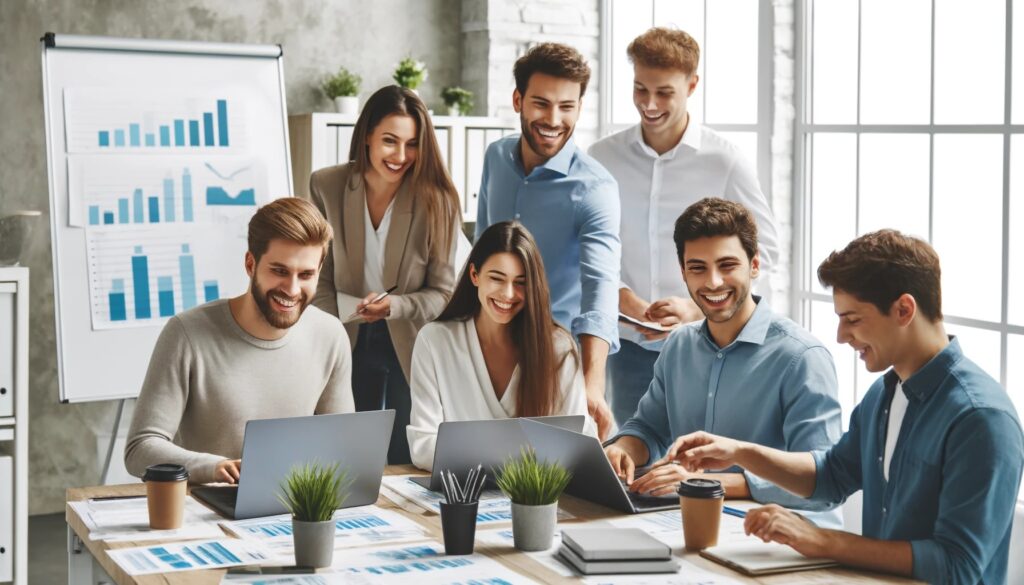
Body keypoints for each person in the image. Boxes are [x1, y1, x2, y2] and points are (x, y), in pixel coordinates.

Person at [663, 229, 1024, 584]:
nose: (841, 336)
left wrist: (822, 541)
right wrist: (739, 452)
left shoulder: (981, 418)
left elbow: (956, 565)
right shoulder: (884, 394)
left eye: (852, 319)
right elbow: (832, 476)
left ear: (903, 310)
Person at [602, 198, 842, 526]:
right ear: (683, 270)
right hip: (682, 524)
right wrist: (623, 450)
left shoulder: (802, 358)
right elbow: (649, 428)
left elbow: (824, 478)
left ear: (754, 265)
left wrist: (708, 485)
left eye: (727, 265)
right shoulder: (678, 346)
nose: (713, 282)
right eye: (698, 268)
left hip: (773, 536)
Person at [588, 27, 780, 426]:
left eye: (664, 92)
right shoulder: (603, 157)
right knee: (634, 467)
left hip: (708, 345)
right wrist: (626, 301)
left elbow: (767, 251)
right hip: (631, 349)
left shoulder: (724, 161)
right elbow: (591, 247)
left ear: (692, 85)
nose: (649, 104)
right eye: (641, 89)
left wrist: (696, 307)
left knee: (702, 466)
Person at [124, 197, 354, 484]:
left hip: (292, 507)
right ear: (250, 264)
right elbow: (140, 448)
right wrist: (216, 468)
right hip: (206, 509)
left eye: (306, 274)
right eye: (279, 271)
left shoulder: (330, 334)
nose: (292, 289)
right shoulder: (186, 333)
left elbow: (344, 446)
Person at [475, 42, 620, 440]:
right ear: (518, 100)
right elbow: (480, 250)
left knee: (551, 483)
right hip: (490, 348)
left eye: (567, 106)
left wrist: (592, 382)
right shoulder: (495, 157)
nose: (554, 119)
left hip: (556, 361)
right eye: (541, 103)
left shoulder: (595, 189)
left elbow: (601, 289)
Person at [310, 85, 461, 465]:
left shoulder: (437, 200)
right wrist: (350, 313)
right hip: (345, 331)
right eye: (389, 141)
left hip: (409, 339)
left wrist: (395, 305)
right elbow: (317, 281)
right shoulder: (326, 186)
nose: (401, 156)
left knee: (403, 455)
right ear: (366, 138)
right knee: (344, 454)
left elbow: (443, 293)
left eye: (412, 144)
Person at [407, 221, 596, 470]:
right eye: (497, 278)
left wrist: (472, 454)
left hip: (537, 500)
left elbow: (579, 442)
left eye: (520, 282)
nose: (508, 294)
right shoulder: (434, 341)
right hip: (462, 497)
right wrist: (519, 457)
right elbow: (422, 447)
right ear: (475, 276)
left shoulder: (558, 347)